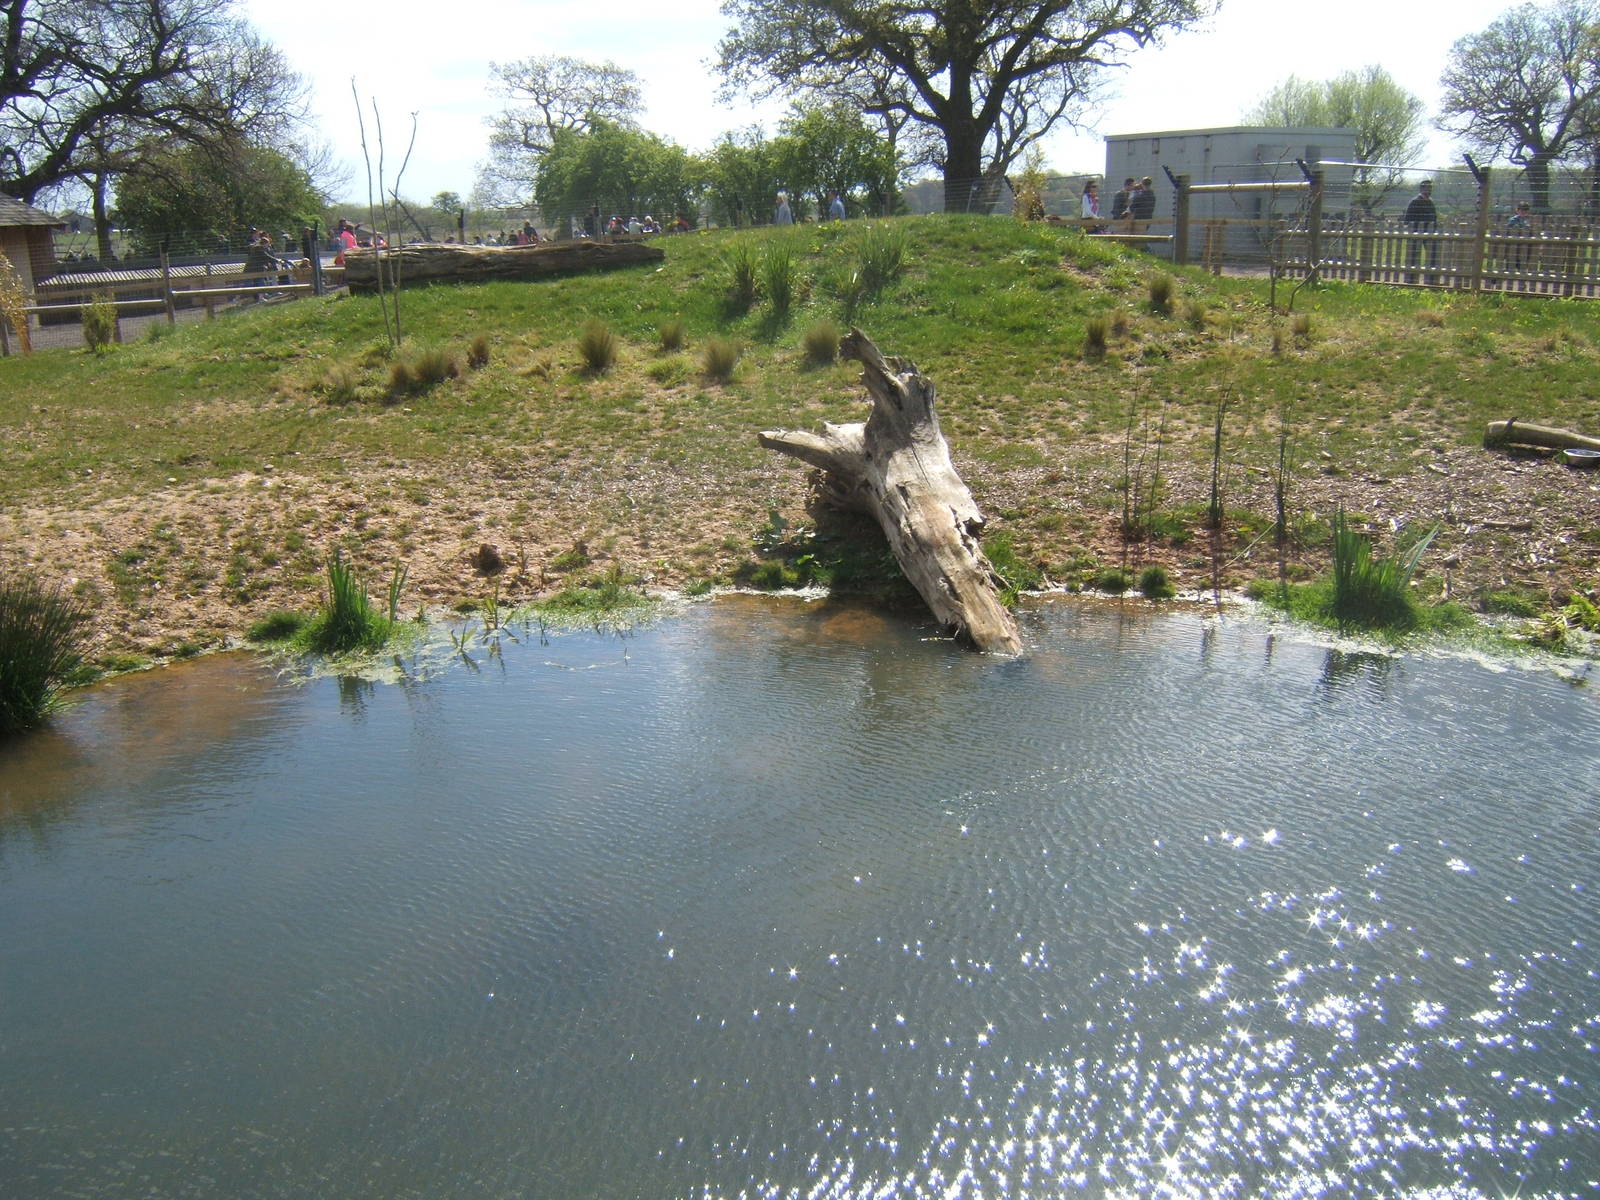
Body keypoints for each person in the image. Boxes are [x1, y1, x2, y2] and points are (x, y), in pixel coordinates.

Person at [1404, 179, 1438, 279]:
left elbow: (1434, 217)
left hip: (1430, 233)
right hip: (1416, 233)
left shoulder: (1431, 202)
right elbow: (1408, 218)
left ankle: (1431, 278)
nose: (1429, 190)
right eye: (1426, 187)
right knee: (1414, 254)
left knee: (1433, 253)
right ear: (1421, 188)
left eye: (1430, 187)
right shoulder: (1415, 202)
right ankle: (1411, 277)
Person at [1505, 200, 1532, 279]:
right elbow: (1509, 230)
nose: (1523, 212)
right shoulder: (1513, 220)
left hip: (1523, 246)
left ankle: (1520, 279)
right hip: (1514, 245)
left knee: (1522, 263)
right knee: (1511, 262)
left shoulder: (1527, 221)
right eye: (1521, 210)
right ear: (1517, 210)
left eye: (1525, 210)